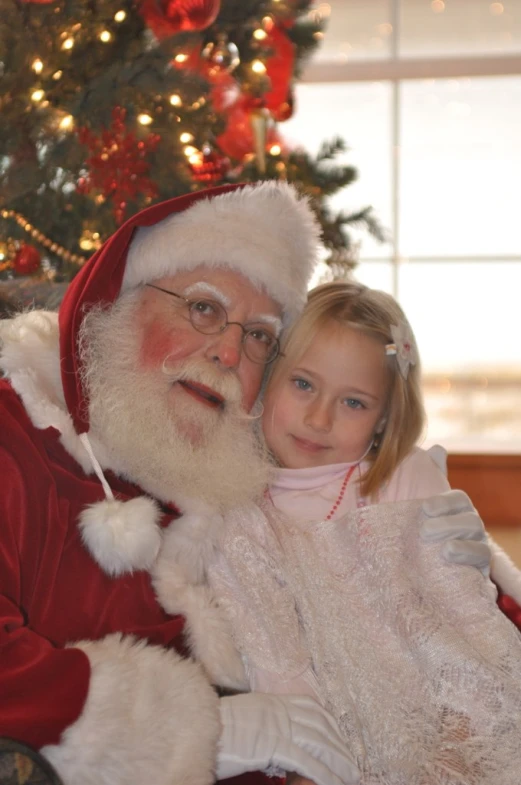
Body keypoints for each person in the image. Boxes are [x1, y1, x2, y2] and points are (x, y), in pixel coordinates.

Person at [0, 183, 497, 785]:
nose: (231, 352)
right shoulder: (18, 433)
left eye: (259, 334)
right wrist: (192, 730)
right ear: (117, 303)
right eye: (204, 308)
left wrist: (481, 568)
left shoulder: (236, 464)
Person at [164, 281, 521, 785]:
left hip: (445, 736)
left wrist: (452, 760)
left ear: (383, 419)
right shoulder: (232, 501)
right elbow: (272, 654)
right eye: (303, 384)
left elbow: (467, 634)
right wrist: (311, 763)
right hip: (321, 747)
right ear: (267, 381)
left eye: (353, 403)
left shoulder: (404, 480)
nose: (319, 418)